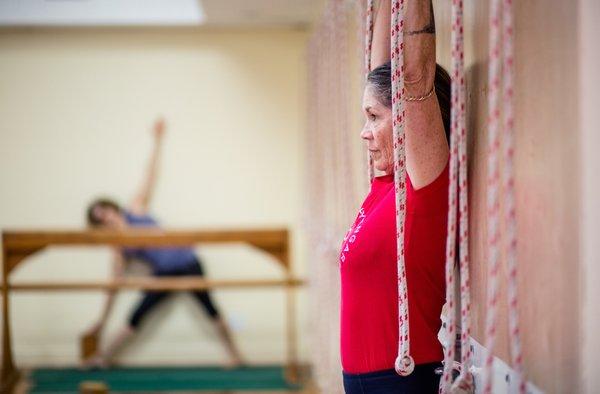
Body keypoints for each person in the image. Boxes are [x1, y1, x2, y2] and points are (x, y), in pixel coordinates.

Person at [339, 0, 451, 392]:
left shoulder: (424, 188)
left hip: (402, 380)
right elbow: (383, 71)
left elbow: (412, 74)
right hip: (366, 381)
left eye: (373, 117)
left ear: (404, 117)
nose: (364, 132)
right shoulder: (387, 187)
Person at [82, 118, 243, 368]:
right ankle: (103, 357)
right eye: (100, 218)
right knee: (136, 315)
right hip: (164, 273)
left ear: (112, 207)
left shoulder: (135, 209)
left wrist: (157, 140)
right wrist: (101, 321)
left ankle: (236, 356)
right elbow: (112, 287)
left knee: (211, 309)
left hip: (188, 262)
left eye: (106, 211)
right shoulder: (117, 247)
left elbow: (150, 175)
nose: (107, 217)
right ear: (100, 225)